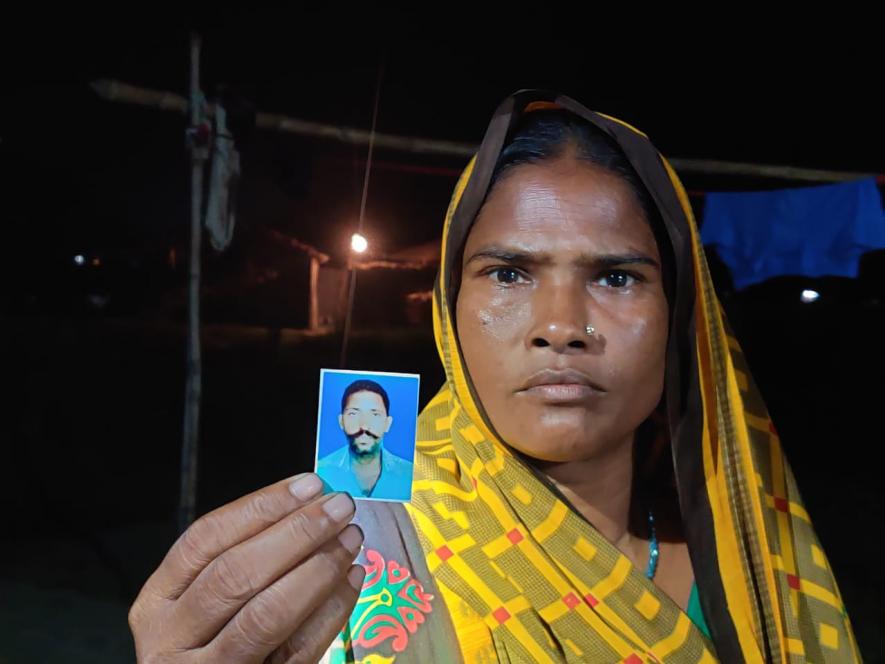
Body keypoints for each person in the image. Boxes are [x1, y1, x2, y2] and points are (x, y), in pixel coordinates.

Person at [129, 91, 859, 663]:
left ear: (681, 316)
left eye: (615, 275)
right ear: (449, 312)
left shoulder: (752, 560)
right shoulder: (353, 558)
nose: (560, 324)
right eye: (508, 273)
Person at [316, 378, 414, 500]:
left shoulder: (410, 475)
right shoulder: (320, 471)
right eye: (353, 414)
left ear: (388, 424)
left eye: (375, 414)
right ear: (341, 421)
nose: (364, 426)